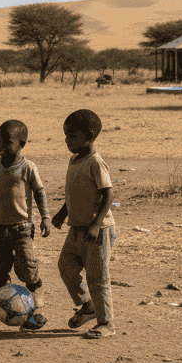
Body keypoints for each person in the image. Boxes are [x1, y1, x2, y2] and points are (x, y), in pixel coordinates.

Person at [51, 109, 117, 339]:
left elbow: (108, 194)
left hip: (96, 231)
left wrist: (96, 225)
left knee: (97, 276)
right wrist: (61, 214)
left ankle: (106, 322)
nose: (66, 140)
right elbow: (74, 194)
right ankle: (87, 305)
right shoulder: (74, 160)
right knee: (66, 266)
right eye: (66, 135)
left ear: (88, 136)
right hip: (76, 228)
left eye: (71, 135)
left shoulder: (96, 163)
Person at [0, 119, 50, 330]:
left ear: (22, 143)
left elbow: (39, 192)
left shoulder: (28, 167)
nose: (1, 146)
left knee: (26, 266)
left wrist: (45, 217)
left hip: (22, 227)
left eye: (7, 142)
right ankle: (6, 301)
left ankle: (36, 305)